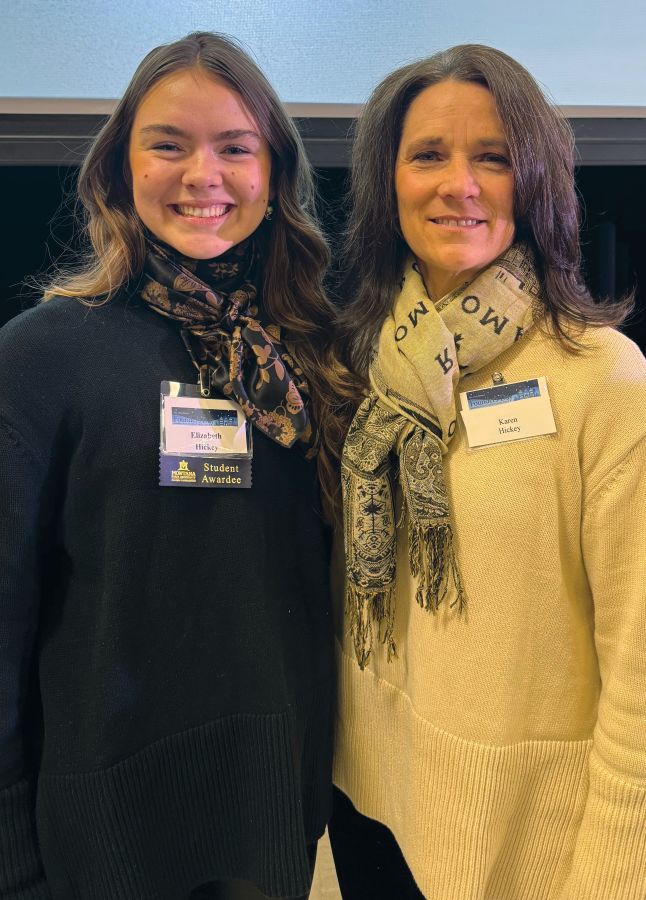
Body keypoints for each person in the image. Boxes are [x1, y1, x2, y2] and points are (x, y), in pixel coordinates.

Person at [0, 31, 348, 900]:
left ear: (275, 176)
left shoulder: (314, 359)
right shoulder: (40, 358)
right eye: (168, 144)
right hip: (97, 831)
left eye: (236, 147)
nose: (205, 176)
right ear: (119, 167)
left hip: (273, 812)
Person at [328, 44, 646, 899]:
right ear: (385, 181)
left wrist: (616, 875)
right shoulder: (368, 365)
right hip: (369, 808)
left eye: (494, 158)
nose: (458, 185)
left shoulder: (606, 382)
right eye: (428, 154)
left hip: (524, 849)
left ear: (535, 178)